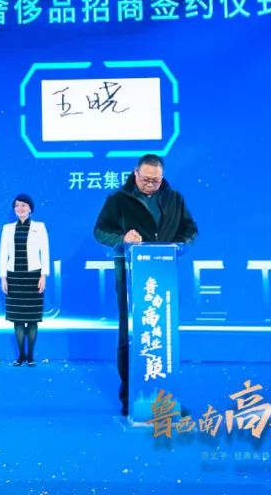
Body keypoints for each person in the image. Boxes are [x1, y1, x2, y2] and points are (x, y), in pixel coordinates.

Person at [93, 154, 198, 416]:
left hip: (163, 277)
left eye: (156, 180)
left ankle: (164, 398)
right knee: (130, 334)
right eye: (146, 179)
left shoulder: (174, 198)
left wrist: (181, 244)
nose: (151, 184)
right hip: (131, 276)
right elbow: (100, 231)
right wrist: (122, 238)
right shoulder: (118, 199)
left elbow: (190, 229)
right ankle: (130, 398)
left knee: (162, 334)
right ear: (135, 174)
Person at [0, 194, 50, 366]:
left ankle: (31, 356)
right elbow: (3, 254)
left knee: (33, 319)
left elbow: (45, 252)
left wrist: (43, 275)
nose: (20, 209)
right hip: (14, 277)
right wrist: (3, 277)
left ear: (30, 209)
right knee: (18, 319)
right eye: (17, 206)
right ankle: (21, 355)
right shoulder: (7, 229)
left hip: (33, 277)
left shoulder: (39, 227)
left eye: (24, 205)